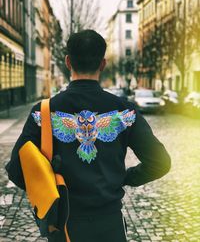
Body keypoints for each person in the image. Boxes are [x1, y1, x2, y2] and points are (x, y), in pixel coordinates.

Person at [5, 30, 171, 242]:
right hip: (110, 225)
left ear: (67, 62)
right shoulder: (124, 111)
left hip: (64, 226)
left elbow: (16, 170)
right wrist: (126, 178)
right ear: (102, 64)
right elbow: (161, 162)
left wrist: (46, 192)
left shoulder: (44, 112)